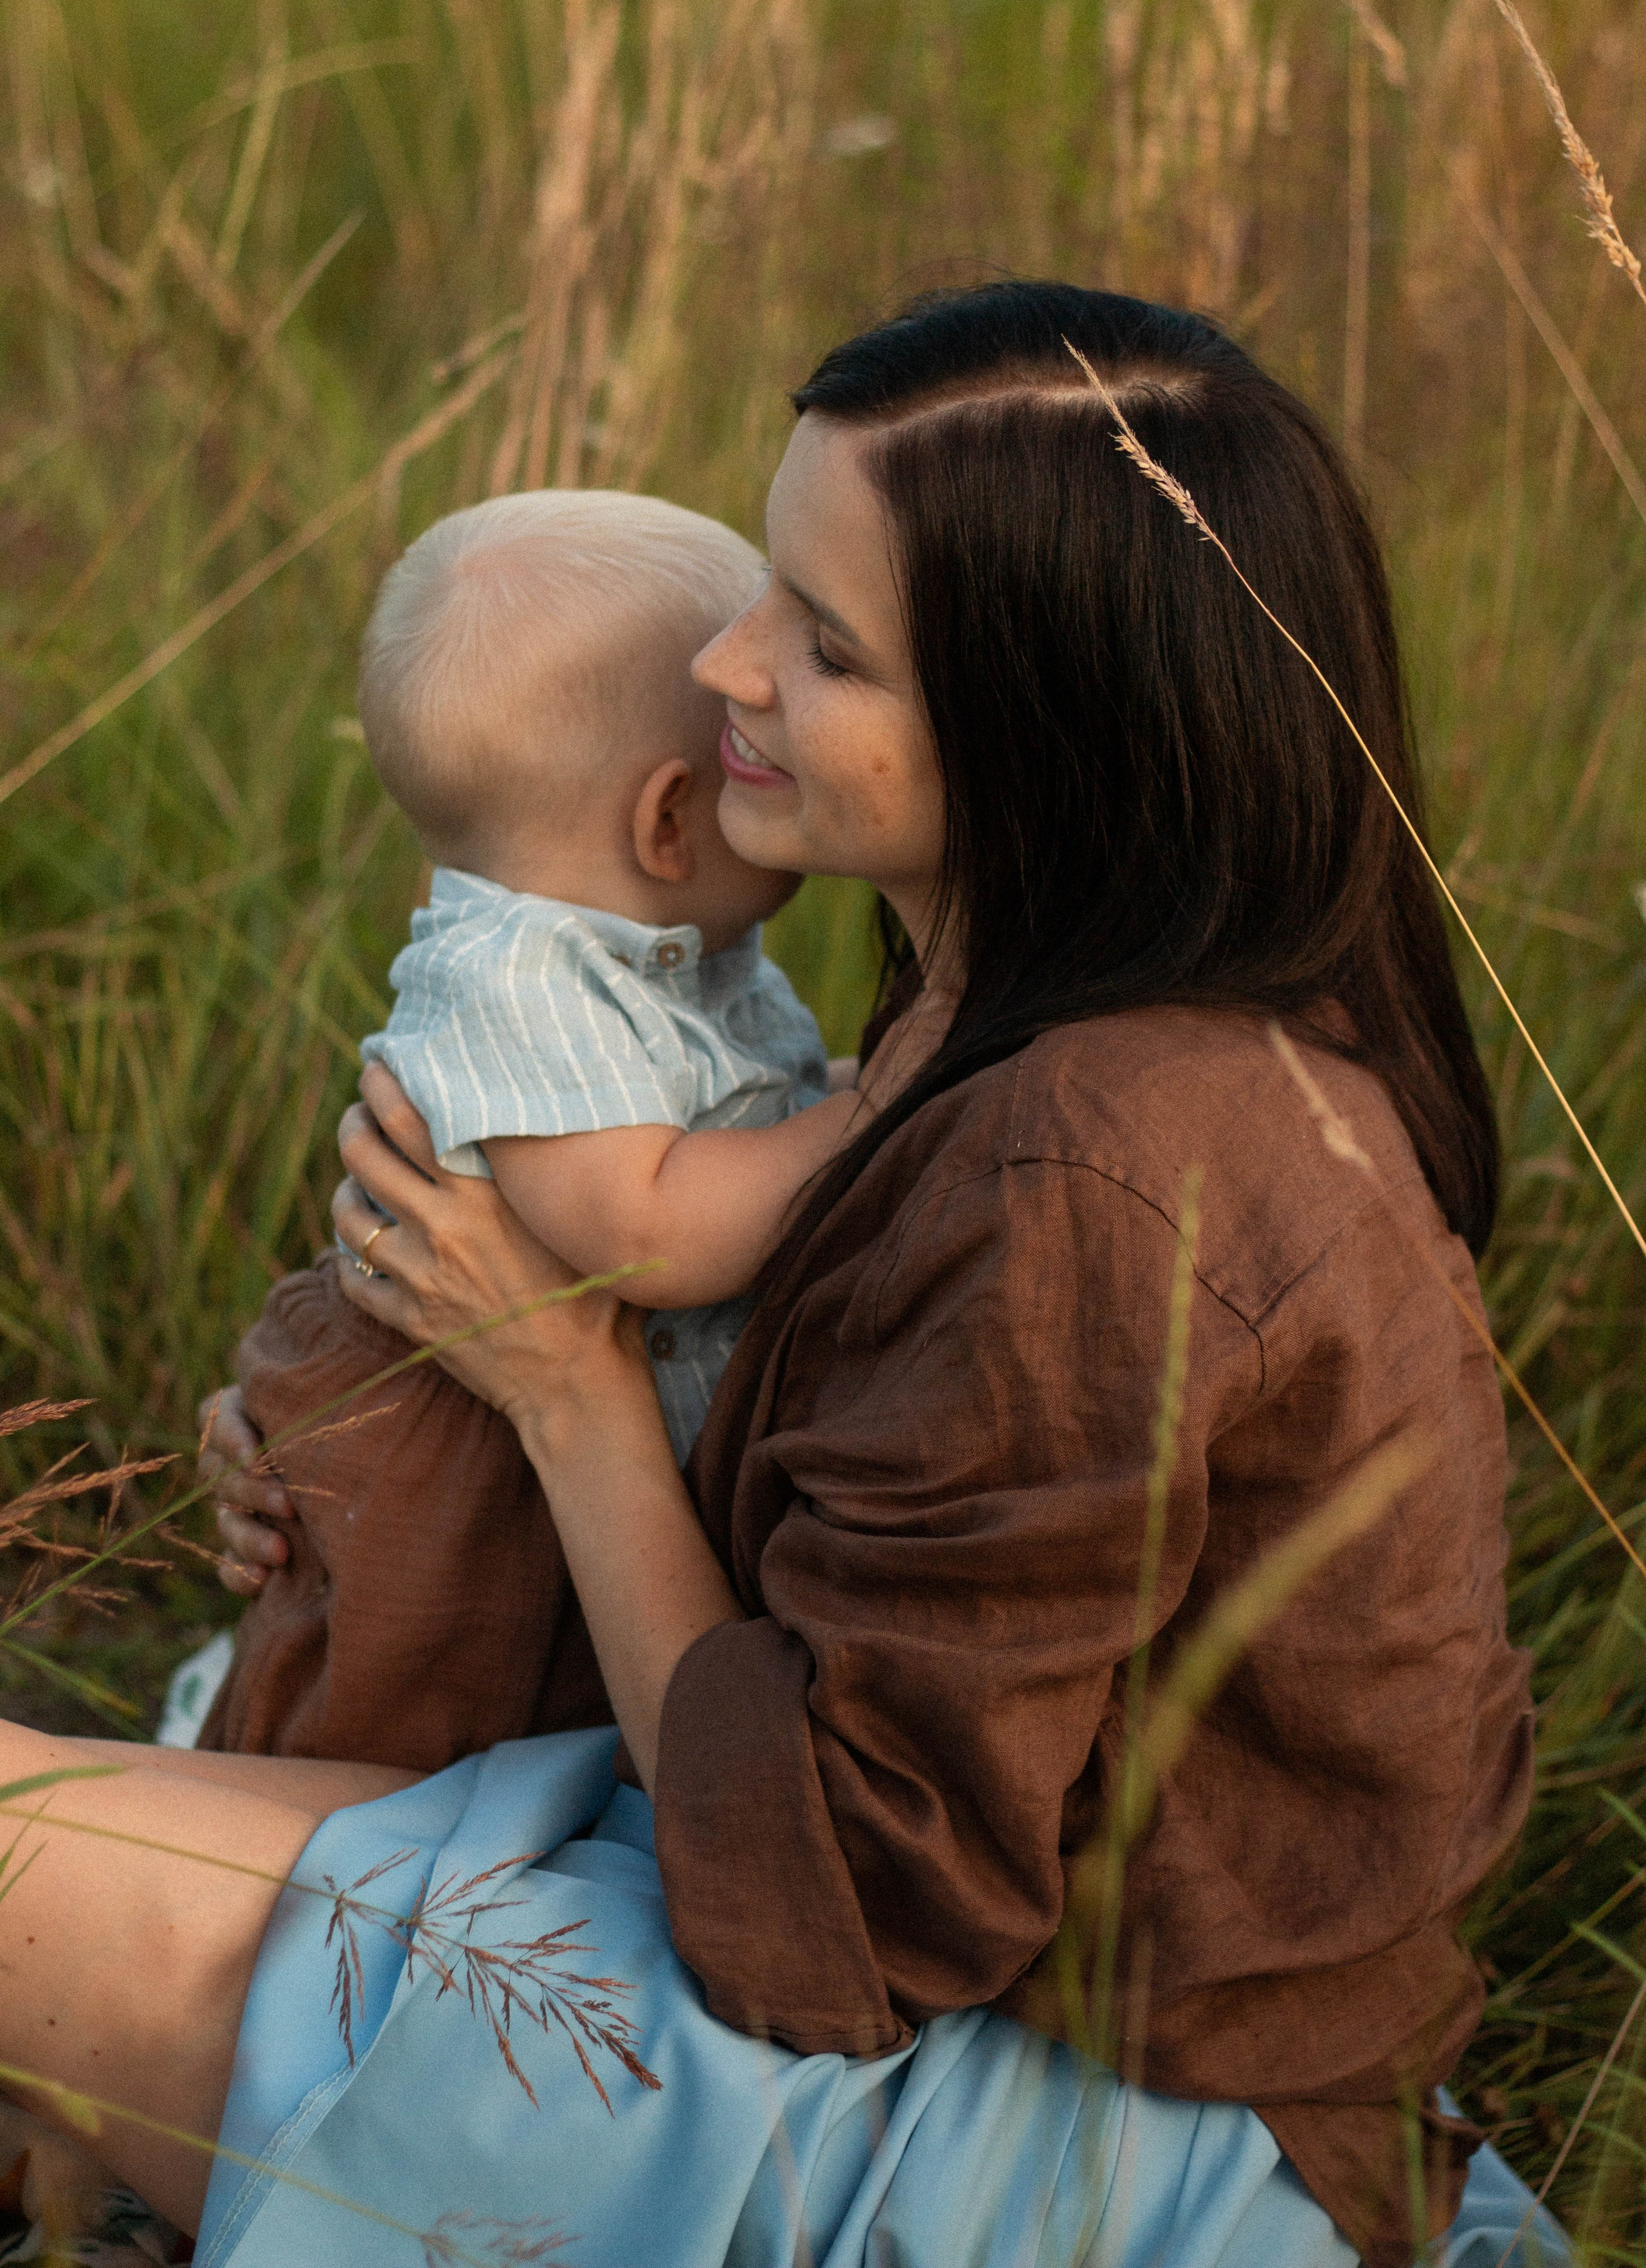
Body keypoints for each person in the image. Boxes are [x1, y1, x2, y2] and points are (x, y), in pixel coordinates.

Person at [0, 284, 1566, 2268]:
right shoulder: (1024, 1006)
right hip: (910, 1944)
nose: (725, 665)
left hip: (1048, 2109)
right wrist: (358, 1434)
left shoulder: (1107, 1160)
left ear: (1033, 732)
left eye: (824, 646)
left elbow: (826, 1923)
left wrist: (557, 1387)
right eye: (764, 587)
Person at [198, 486, 864, 1770]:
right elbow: (649, 1229)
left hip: (527, 1405)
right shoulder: (521, 976)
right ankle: (251, 1851)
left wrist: (828, 1096)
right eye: (742, 743)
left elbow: (733, 1115)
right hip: (438, 1445)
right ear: (667, 818)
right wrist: (868, 1120)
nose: (765, 711)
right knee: (386, 1709)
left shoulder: (672, 952)